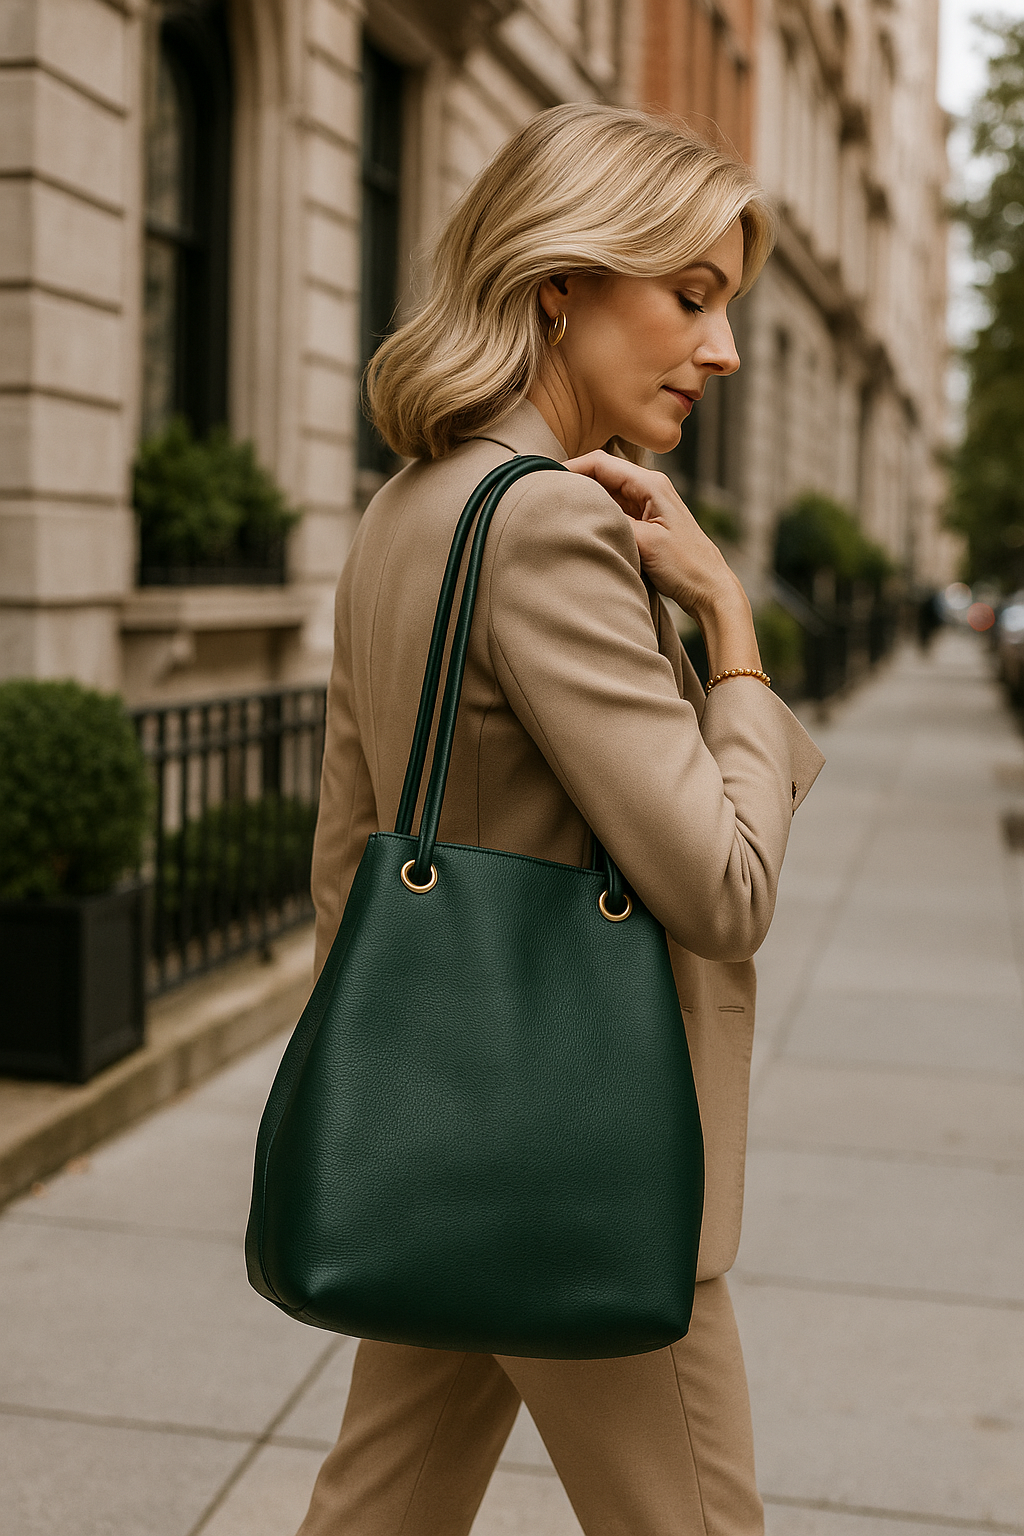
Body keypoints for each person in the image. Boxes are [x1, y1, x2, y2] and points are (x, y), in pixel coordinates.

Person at [300, 103, 824, 1536]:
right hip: (587, 1152)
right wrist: (729, 626)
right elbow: (725, 889)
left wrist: (400, 1089)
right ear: (560, 285)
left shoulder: (410, 504)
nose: (723, 349)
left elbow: (346, 852)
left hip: (451, 1120)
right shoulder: (548, 525)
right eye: (692, 298)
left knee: (380, 1506)